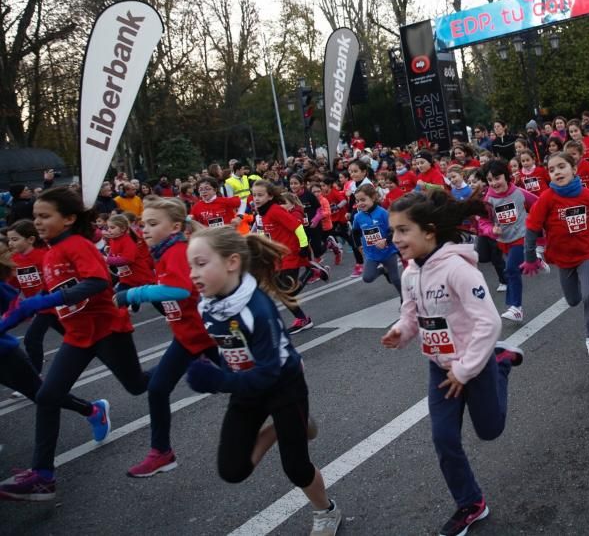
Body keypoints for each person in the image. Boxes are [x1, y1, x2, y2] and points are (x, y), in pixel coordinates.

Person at [382, 190, 523, 536]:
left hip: (474, 364)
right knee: (444, 438)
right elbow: (411, 316)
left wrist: (466, 368)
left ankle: (500, 362)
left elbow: (489, 322)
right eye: (393, 231)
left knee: (490, 431)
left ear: (429, 231)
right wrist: (401, 331)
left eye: (403, 230)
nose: (395, 239)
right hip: (440, 368)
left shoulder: (459, 270)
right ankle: (470, 503)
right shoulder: (410, 274)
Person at [183, 226, 340, 536]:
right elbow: (226, 348)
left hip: (283, 385)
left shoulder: (257, 308)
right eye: (191, 266)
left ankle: (326, 512)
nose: (192, 274)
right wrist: (211, 367)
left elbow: (268, 374)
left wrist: (217, 381)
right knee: (233, 470)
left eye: (201, 263)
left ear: (231, 262)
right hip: (246, 387)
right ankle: (283, 429)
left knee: (296, 468)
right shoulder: (207, 305)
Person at [0, 187, 147, 501]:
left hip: (107, 330)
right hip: (78, 335)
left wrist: (49, 299)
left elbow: (98, 282)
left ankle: (192, 359)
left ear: (68, 218)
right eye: (35, 216)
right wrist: (14, 317)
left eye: (44, 216)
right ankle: (43, 476)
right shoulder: (51, 251)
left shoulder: (76, 245)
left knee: (137, 385)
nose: (37, 222)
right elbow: (52, 294)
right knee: (47, 395)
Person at [115, 197, 220, 478]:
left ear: (175, 227)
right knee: (159, 388)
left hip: (212, 335)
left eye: (152, 224)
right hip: (187, 338)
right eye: (141, 224)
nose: (144, 230)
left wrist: (135, 294)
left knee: (246, 383)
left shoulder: (177, 251)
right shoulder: (162, 252)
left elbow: (181, 290)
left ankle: (285, 406)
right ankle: (161, 452)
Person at [0, 246, 111, 450]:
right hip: (39, 314)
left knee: (42, 394)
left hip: (6, 354)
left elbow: (12, 304)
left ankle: (93, 410)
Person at [523, 151, 589, 359]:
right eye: (551, 170)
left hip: (586, 253)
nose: (557, 172)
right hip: (562, 257)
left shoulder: (587, 195)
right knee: (573, 300)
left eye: (561, 167)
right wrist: (530, 256)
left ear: (574, 169)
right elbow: (532, 228)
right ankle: (575, 293)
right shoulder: (547, 199)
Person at [250, 181, 314, 333]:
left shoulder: (275, 210)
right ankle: (302, 319)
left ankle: (312, 273)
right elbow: (268, 234)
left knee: (285, 291)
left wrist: (304, 246)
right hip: (277, 255)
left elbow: (297, 227)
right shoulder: (262, 212)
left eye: (260, 195)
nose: (256, 198)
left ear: (270, 196)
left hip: (290, 253)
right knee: (282, 291)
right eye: (254, 195)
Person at [482, 161, 540, 323]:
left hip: (522, 235)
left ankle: (516, 308)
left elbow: (539, 204)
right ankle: (535, 258)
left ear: (506, 177)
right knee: (511, 270)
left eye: (497, 178)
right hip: (504, 240)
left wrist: (533, 223)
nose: (494, 183)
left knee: (511, 269)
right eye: (490, 180)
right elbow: (483, 222)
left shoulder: (519, 193)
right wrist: (491, 230)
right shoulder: (489, 199)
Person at [6, 220, 60, 373]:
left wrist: (39, 299)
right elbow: (12, 286)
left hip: (50, 304)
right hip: (39, 307)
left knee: (31, 339)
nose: (11, 243)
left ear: (30, 239)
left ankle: (34, 376)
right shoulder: (15, 260)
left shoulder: (43, 256)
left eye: (15, 239)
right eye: (9, 239)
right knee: (75, 336)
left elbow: (53, 281)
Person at [353, 184, 402, 295]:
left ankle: (404, 299)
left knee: (395, 279)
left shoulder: (383, 213)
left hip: (388, 252)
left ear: (373, 197)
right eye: (357, 201)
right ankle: (383, 271)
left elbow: (393, 230)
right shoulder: (358, 217)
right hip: (372, 254)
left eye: (363, 200)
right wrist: (358, 246)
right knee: (367, 278)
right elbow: (355, 232)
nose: (360, 203)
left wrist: (385, 240)